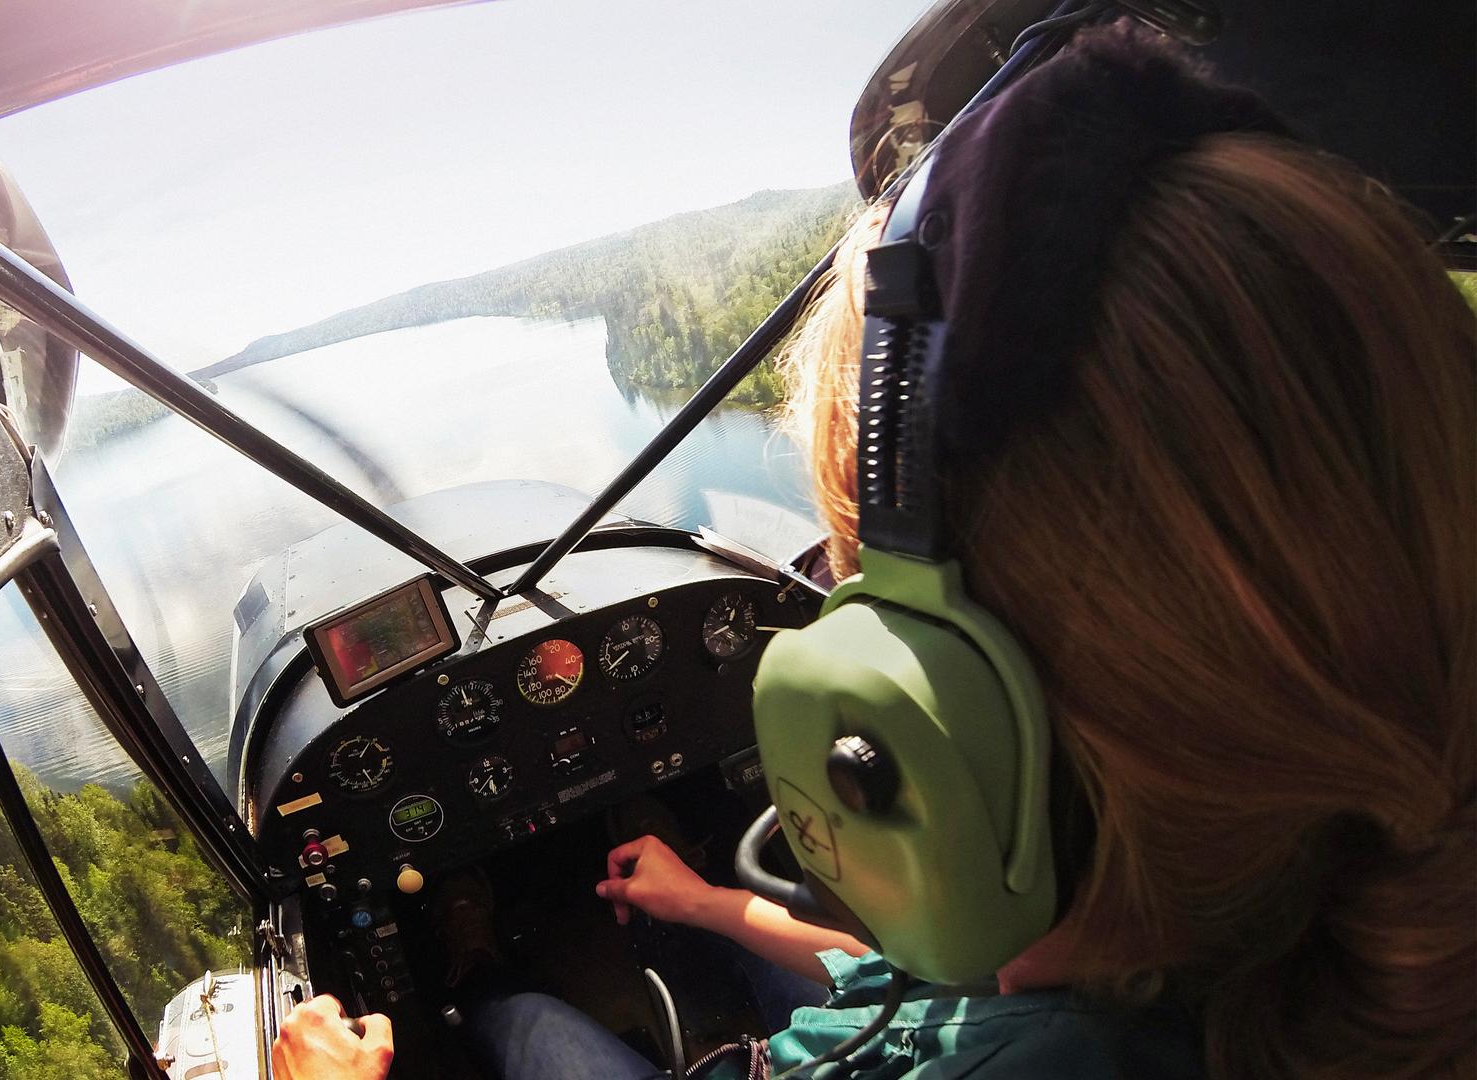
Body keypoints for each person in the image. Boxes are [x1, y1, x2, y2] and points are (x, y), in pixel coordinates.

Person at [273, 20, 1476, 1080]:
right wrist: (718, 907)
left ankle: (478, 978)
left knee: (532, 1023)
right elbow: (927, 986)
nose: (824, 606)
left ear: (975, 730)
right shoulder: (1174, 941)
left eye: (850, 584)